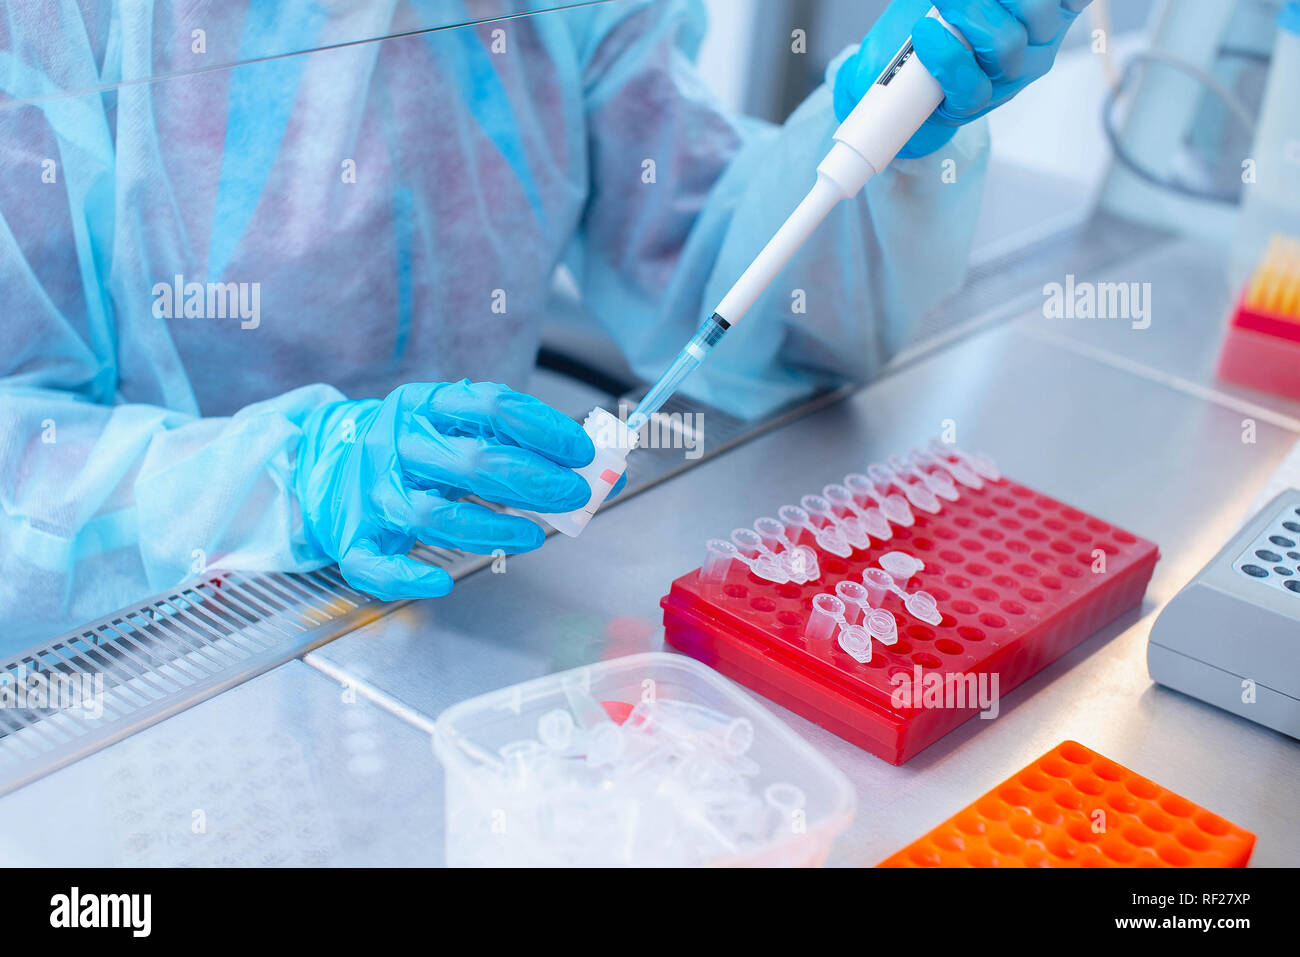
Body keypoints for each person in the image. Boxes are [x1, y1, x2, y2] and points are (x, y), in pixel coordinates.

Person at [0, 0, 1090, 647]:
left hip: (459, 609)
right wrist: (290, 481)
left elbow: (746, 296)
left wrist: (884, 131)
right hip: (128, 666)